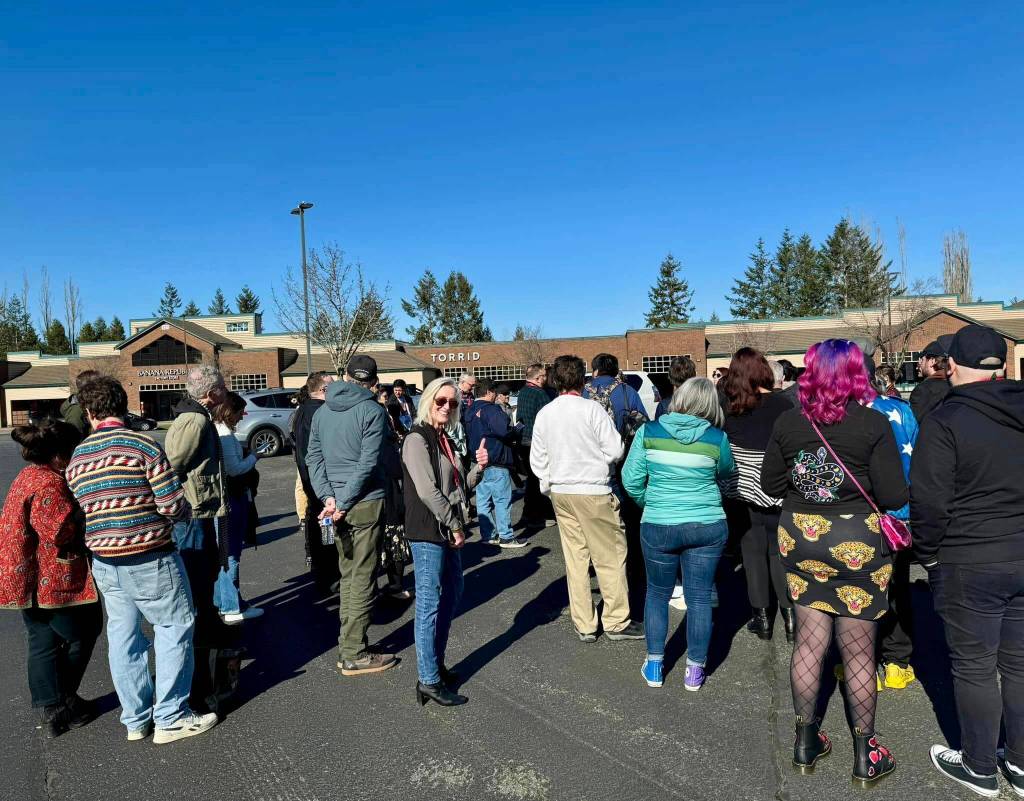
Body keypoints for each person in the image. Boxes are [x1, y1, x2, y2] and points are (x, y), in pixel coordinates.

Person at [761, 339, 907, 787]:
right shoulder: (872, 422)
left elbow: (770, 482)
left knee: (809, 641)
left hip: (803, 539)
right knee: (859, 650)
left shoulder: (788, 422)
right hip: (856, 541)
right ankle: (867, 752)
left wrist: (808, 486)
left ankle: (806, 741)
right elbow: (895, 496)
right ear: (856, 373)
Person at [66, 376, 218, 744]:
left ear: (89, 413)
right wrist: (181, 514)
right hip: (149, 554)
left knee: (123, 636)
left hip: (104, 559)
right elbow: (171, 504)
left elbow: (80, 504)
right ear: (123, 406)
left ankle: (135, 717)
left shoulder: (79, 454)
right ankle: (171, 716)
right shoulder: (143, 447)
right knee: (174, 627)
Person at [910, 324, 1024, 798]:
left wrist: (928, 554)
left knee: (975, 665)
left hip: (969, 557)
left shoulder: (945, 420)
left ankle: (979, 765)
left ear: (952, 364)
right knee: (1019, 663)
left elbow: (929, 502)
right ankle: (1019, 763)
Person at [622, 377, 736, 692]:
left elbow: (630, 480)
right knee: (699, 597)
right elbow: (727, 475)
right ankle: (694, 672)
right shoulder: (717, 438)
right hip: (707, 524)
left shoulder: (649, 432)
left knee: (657, 593)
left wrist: (651, 503)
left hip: (659, 524)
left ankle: (656, 666)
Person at [531, 355, 644, 642]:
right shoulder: (592, 410)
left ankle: (585, 623)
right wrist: (600, 464)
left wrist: (549, 484)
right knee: (610, 555)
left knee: (576, 559)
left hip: (561, 491)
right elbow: (616, 450)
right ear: (583, 379)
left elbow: (538, 459)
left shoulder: (546, 413)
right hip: (593, 489)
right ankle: (616, 620)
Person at [1, 419, 101, 738]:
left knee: (42, 640)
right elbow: (56, 530)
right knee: (83, 631)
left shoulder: (28, 475)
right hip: (48, 575)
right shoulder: (48, 482)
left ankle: (52, 708)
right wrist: (85, 514)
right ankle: (64, 700)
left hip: (24, 573)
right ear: (59, 456)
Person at [307, 354, 397, 676]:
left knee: (349, 575)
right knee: (362, 577)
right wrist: (340, 501)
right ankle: (354, 652)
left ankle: (349, 644)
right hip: (363, 502)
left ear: (344, 374)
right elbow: (368, 462)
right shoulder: (373, 410)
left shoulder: (322, 411)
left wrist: (329, 498)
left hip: (337, 504)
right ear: (373, 380)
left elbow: (312, 458)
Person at [402, 377, 489, 706]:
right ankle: (428, 679)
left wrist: (478, 470)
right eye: (441, 401)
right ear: (428, 400)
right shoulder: (417, 438)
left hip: (447, 526)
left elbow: (458, 487)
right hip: (428, 529)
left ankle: (435, 665)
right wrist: (454, 525)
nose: (447, 407)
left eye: (453, 403)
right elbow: (426, 491)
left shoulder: (444, 438)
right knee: (428, 604)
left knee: (453, 593)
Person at [165, 364, 236, 708]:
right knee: (196, 577)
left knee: (206, 573)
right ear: (211, 393)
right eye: (222, 387)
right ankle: (199, 648)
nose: (226, 391)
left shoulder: (198, 415)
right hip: (193, 513)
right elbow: (173, 463)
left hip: (201, 510)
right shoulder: (194, 420)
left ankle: (208, 629)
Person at [720, 348, 795, 642]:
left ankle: (761, 618)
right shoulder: (784, 405)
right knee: (779, 551)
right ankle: (790, 618)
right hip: (778, 490)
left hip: (742, 490)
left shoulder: (731, 407)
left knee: (751, 551)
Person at [864, 366, 919, 692]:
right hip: (899, 515)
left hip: (859, 515)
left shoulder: (840, 412)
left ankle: (861, 664)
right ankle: (897, 663)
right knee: (897, 588)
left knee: (854, 593)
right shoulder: (901, 410)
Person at [213, 391, 265, 623]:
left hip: (227, 499)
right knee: (230, 554)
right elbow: (234, 469)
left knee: (225, 554)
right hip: (230, 499)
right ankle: (231, 606)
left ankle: (226, 602)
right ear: (228, 411)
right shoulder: (224, 434)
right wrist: (253, 457)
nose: (241, 417)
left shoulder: (220, 431)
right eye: (238, 413)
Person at [465, 378, 526, 548]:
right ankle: (506, 536)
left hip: (477, 461)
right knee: (502, 500)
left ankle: (489, 534)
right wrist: (517, 430)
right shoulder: (491, 410)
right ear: (490, 392)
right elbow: (504, 431)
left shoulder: (469, 410)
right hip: (496, 459)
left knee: (483, 500)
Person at [290, 371, 337, 589]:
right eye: (332, 387)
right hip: (319, 479)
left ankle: (319, 566)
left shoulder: (302, 410)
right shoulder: (319, 412)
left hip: (309, 476)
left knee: (314, 519)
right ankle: (328, 571)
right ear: (323, 390)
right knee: (325, 524)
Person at [515, 363, 555, 529]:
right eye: (544, 376)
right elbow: (550, 420)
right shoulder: (541, 395)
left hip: (523, 439)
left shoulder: (522, 392)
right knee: (540, 479)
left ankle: (529, 514)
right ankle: (537, 515)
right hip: (537, 441)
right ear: (538, 378)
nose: (546, 379)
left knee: (531, 479)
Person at [583, 353, 648, 435]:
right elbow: (643, 422)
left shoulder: (582, 392)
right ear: (616, 371)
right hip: (619, 443)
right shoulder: (628, 391)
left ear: (596, 371)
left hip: (587, 445)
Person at [909, 337, 952, 423]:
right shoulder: (955, 384)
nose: (918, 365)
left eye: (922, 359)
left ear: (932, 361)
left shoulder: (923, 390)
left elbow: (912, 425)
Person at [60, 370, 99, 436]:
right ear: (89, 389)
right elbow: (74, 438)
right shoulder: (76, 411)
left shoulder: (92, 404)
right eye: (100, 385)